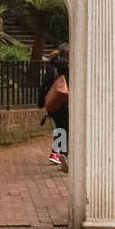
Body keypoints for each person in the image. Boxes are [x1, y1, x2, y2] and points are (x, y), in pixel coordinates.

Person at [38, 44, 70, 173]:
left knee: (59, 128)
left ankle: (55, 154)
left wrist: (42, 103)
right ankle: (64, 154)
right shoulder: (66, 67)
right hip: (63, 102)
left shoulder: (51, 67)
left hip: (52, 103)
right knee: (66, 128)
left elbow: (44, 86)